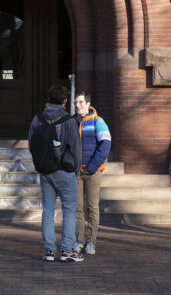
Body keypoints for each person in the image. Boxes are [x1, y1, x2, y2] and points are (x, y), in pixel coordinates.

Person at [28, 85, 83, 262]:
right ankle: (67, 250)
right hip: (65, 171)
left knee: (47, 211)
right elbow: (76, 149)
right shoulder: (68, 121)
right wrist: (77, 172)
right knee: (68, 211)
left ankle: (49, 251)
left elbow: (31, 145)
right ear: (65, 101)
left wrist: (42, 161)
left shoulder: (38, 120)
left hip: (45, 171)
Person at [73, 91, 111, 256]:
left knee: (92, 207)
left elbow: (105, 144)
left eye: (81, 102)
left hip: (93, 172)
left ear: (88, 104)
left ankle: (91, 242)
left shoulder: (98, 121)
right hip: (76, 172)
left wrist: (92, 166)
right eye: (75, 103)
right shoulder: (71, 122)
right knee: (77, 208)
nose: (78, 106)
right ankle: (79, 241)